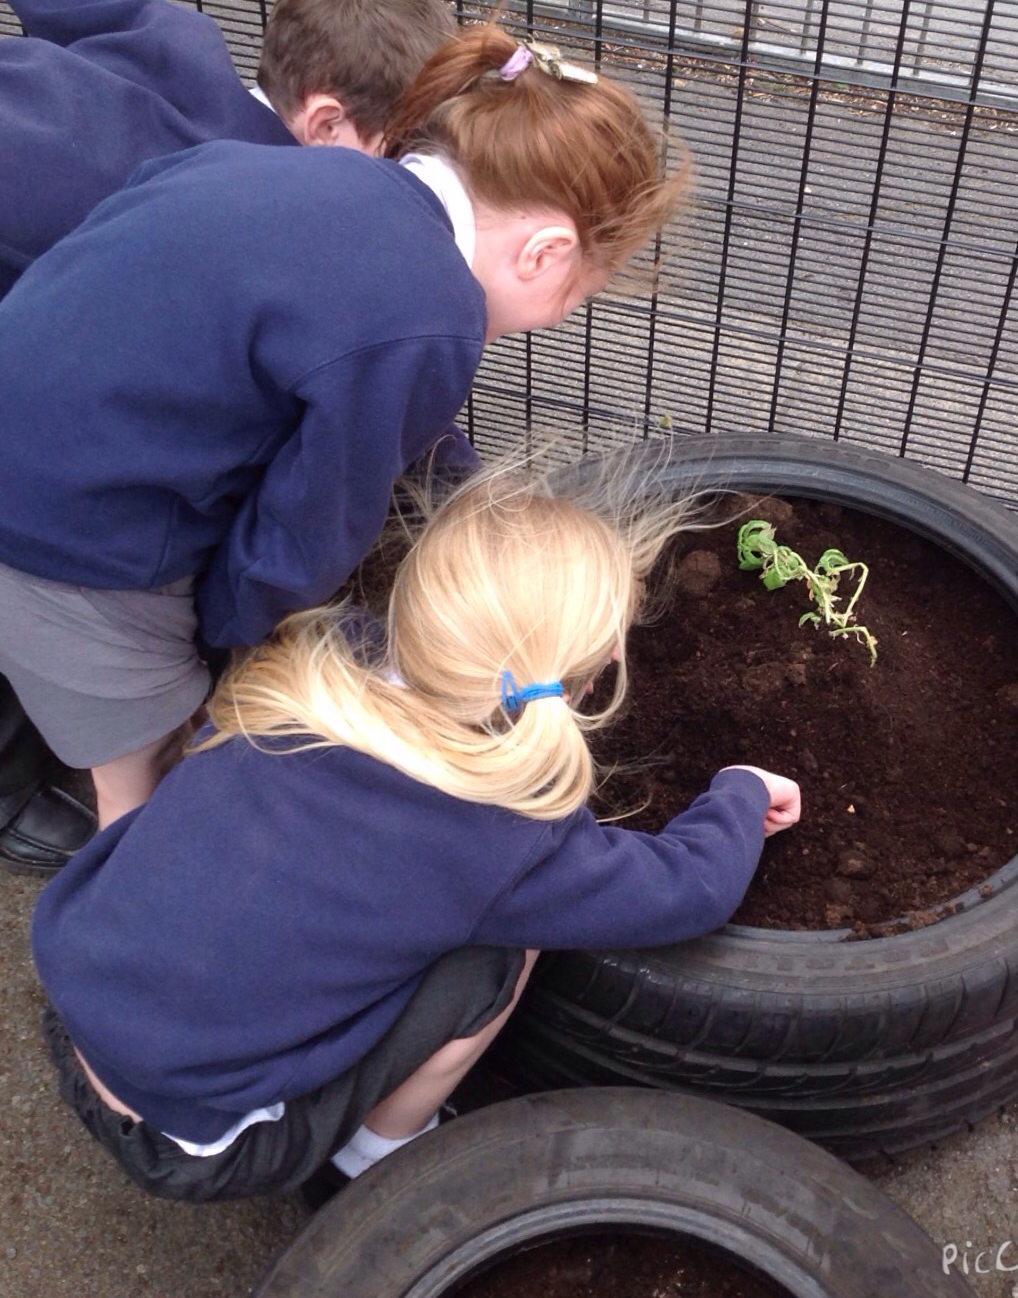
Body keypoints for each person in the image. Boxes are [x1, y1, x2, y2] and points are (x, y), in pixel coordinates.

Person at [29, 461, 801, 1203]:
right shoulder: (504, 835)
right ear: (592, 678)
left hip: (77, 1010)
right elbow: (688, 891)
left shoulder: (305, 684)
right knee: (497, 955)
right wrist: (739, 793)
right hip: (199, 1143)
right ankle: (382, 1153)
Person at [0, 19, 690, 838]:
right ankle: (124, 928)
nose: (555, 319)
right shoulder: (430, 318)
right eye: (577, 297)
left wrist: (489, 507)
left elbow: (371, 402)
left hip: (43, 440)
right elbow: (299, 544)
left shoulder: (308, 179)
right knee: (153, 780)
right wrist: (232, 653)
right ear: (545, 252)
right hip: (64, 546)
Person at [0, 0, 455, 868]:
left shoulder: (175, 42)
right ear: (321, 119)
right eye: (396, 156)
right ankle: (13, 782)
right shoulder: (210, 216)